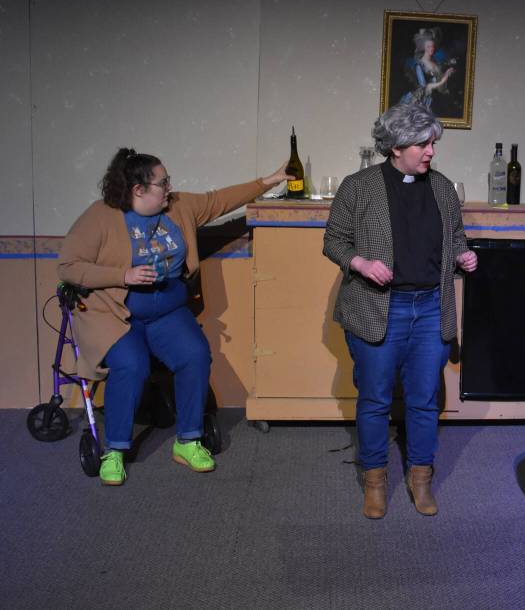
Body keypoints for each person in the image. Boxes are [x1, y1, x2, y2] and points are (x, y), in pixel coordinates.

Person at [57, 148, 290, 485]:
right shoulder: (102, 216)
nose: (169, 188)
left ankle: (188, 441)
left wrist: (268, 181)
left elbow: (218, 200)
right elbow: (68, 266)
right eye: (162, 182)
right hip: (116, 315)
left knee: (195, 355)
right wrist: (123, 276)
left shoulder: (178, 207)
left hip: (167, 311)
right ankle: (115, 450)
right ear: (138, 190)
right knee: (132, 365)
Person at [323, 102, 477, 519]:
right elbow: (333, 241)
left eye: (432, 143)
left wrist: (463, 256)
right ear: (395, 146)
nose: (431, 151)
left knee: (424, 400)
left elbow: (457, 238)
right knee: (374, 399)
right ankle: (375, 481)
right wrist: (360, 264)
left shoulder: (443, 189)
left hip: (430, 308)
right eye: (422, 143)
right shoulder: (358, 187)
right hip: (379, 309)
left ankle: (420, 477)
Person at [400, 27, 455, 110]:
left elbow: (439, 82)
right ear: (423, 47)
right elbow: (425, 88)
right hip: (424, 101)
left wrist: (447, 73)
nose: (431, 49)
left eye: (432, 46)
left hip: (438, 98)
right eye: (428, 46)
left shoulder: (436, 63)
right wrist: (444, 78)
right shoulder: (419, 65)